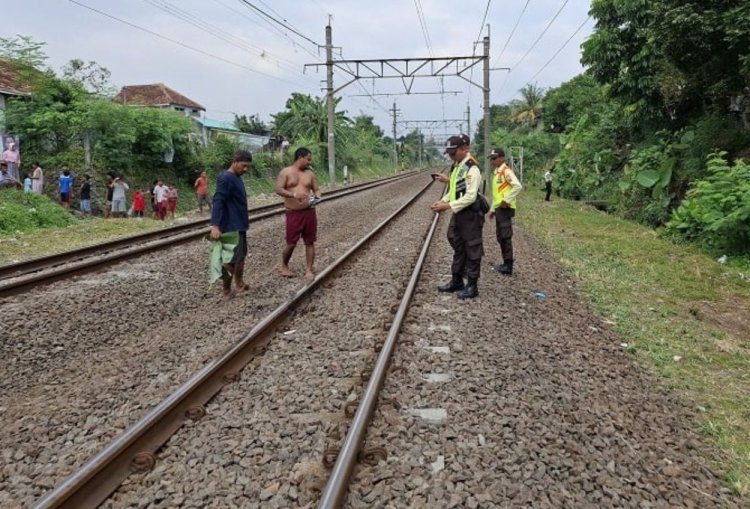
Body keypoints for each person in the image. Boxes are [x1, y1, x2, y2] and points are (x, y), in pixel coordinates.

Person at [430, 134, 485, 299]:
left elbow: (470, 196)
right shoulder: (457, 166)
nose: (450, 156)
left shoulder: (472, 168)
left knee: (473, 248)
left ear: (465, 149)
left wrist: (447, 206)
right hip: (459, 213)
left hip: (470, 215)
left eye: (453, 153)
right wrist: (442, 200)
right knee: (457, 244)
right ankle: (457, 280)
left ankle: (472, 286)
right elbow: (455, 190)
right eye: (449, 153)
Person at [210, 150, 252, 298]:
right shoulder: (226, 178)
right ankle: (226, 290)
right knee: (230, 261)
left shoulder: (236, 177)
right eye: (243, 165)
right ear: (235, 161)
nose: (245, 169)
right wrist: (215, 225)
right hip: (231, 226)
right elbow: (218, 200)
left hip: (239, 224)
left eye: (248, 167)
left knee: (240, 257)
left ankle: (239, 284)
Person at [275, 147, 321, 281]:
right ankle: (284, 264)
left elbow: (317, 190)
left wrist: (315, 200)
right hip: (293, 212)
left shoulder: (310, 174)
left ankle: (308, 269)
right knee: (291, 243)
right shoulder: (286, 172)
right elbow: (278, 189)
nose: (309, 162)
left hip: (309, 212)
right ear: (300, 157)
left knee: (310, 241)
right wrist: (294, 194)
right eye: (308, 159)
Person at [488, 148, 522, 275]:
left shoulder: (506, 171)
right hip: (499, 209)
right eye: (491, 158)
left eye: (495, 158)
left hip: (505, 209)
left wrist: (506, 200)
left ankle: (508, 265)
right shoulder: (497, 173)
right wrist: (492, 209)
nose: (493, 160)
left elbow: (518, 186)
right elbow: (497, 194)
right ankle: (505, 263)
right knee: (500, 236)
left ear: (502, 158)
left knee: (505, 237)